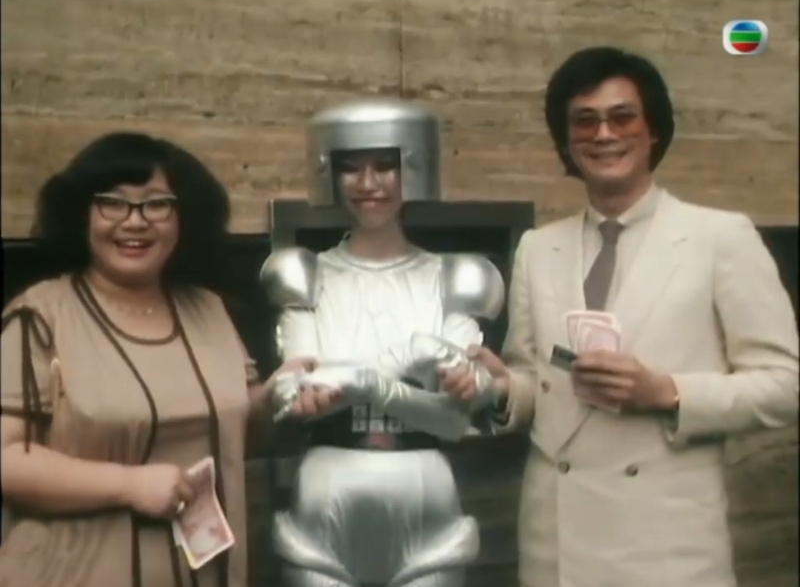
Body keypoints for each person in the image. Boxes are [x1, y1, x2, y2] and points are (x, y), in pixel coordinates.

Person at [440, 46, 800, 587]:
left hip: (666, 545)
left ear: (653, 129)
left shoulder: (720, 237)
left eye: (622, 116)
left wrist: (667, 392)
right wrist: (500, 388)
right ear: (566, 140)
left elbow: (785, 385)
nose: (603, 134)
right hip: (555, 543)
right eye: (584, 121)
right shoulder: (539, 248)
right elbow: (538, 381)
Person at [0, 132, 312, 587]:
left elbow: (236, 425)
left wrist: (281, 392)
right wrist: (128, 485)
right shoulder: (40, 317)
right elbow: (7, 459)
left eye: (156, 204)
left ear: (184, 217)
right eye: (112, 203)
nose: (135, 221)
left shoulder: (209, 310)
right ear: (82, 213)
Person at [259, 98, 506, 587]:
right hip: (325, 492)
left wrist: (363, 384)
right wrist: (406, 367)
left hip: (426, 493)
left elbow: (451, 418)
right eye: (351, 167)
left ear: (411, 168)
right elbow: (294, 395)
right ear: (331, 172)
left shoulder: (454, 278)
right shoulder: (304, 276)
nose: (368, 183)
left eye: (385, 165)